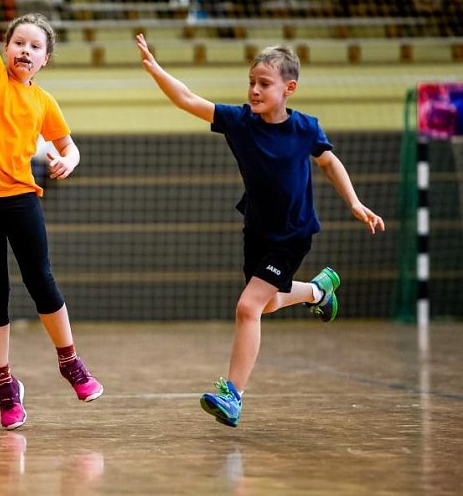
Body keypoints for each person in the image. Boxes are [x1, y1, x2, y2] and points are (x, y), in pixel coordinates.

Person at [136, 33, 385, 427]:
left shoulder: (305, 128)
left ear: (289, 88)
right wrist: (155, 69)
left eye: (264, 84)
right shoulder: (240, 122)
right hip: (257, 231)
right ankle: (319, 290)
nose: (254, 90)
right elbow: (187, 98)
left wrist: (353, 202)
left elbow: (329, 162)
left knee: (248, 307)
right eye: (251, 82)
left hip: (292, 234)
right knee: (266, 304)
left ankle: (232, 395)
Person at [0, 8, 104, 430]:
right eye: (18, 43)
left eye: (35, 47)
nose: (25, 51)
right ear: (6, 48)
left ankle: (70, 363)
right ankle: (4, 386)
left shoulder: (43, 101)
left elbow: (70, 146)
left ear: (45, 58)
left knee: (41, 281)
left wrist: (68, 160)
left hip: (20, 198)